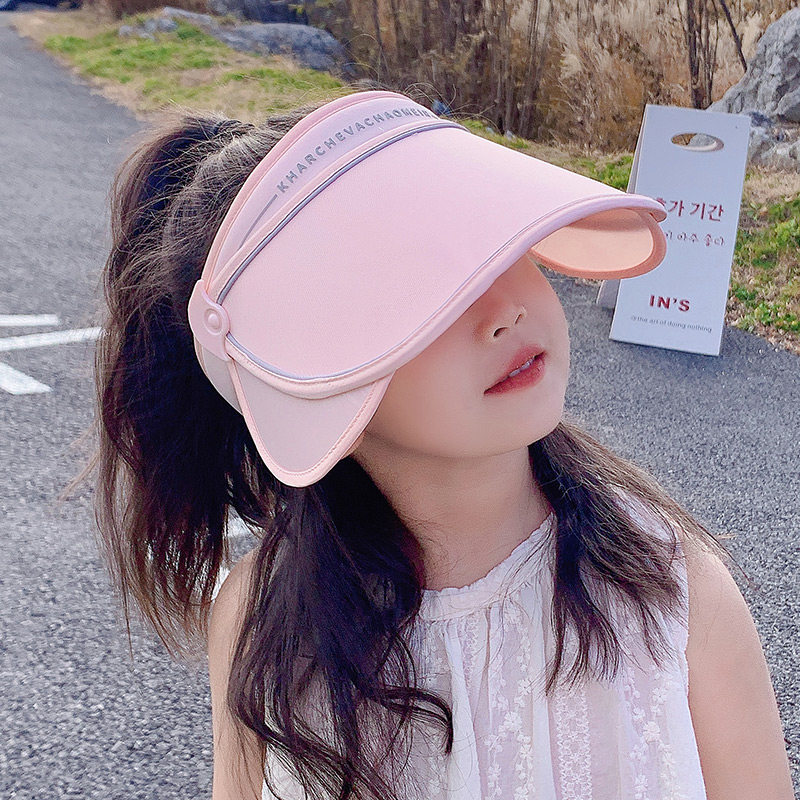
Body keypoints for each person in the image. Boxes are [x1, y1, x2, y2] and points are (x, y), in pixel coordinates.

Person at [89, 85, 794, 800]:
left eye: (497, 245)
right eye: (424, 296)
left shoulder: (670, 590)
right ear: (312, 384)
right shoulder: (260, 622)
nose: (503, 310)